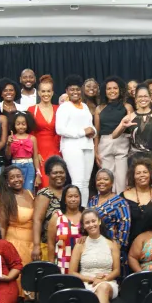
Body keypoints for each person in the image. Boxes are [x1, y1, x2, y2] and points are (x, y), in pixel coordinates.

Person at [56, 75, 97, 205]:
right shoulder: (64, 107)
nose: (75, 92)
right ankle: (75, 210)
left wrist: (93, 132)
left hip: (88, 146)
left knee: (85, 182)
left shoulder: (84, 106)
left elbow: (91, 126)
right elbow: (60, 129)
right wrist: (82, 132)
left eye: (78, 89)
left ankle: (83, 209)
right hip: (72, 147)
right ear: (67, 91)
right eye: (72, 89)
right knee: (77, 181)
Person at [69, 209, 120, 303]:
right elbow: (72, 272)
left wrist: (103, 279)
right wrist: (93, 279)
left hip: (107, 282)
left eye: (93, 221)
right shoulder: (80, 245)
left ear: (99, 221)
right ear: (83, 226)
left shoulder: (112, 243)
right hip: (86, 283)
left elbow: (117, 270)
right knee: (95, 296)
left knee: (103, 287)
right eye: (87, 222)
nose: (91, 225)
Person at [94, 76, 132, 194]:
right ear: (105, 91)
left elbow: (131, 127)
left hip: (123, 142)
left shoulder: (127, 107)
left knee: (122, 178)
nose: (112, 91)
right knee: (105, 177)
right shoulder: (99, 109)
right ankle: (105, 203)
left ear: (120, 90)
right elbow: (96, 133)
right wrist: (96, 152)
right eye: (109, 88)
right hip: (105, 143)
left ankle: (121, 203)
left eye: (115, 88)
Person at [117, 85, 152, 175]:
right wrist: (122, 125)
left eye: (145, 96)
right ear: (136, 99)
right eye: (140, 96)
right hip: (135, 158)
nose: (143, 99)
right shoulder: (130, 116)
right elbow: (114, 135)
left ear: (150, 97)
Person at [87, 169, 131, 260]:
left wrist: (117, 247)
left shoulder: (120, 202)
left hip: (111, 248)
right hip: (93, 247)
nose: (101, 182)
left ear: (112, 183)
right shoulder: (93, 200)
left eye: (105, 179)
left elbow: (125, 225)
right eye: (99, 179)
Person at [0, 165, 36, 269]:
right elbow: (2, 226)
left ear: (23, 177)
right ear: (7, 182)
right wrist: (0, 250)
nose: (16, 179)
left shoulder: (29, 193)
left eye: (18, 176)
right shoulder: (5, 199)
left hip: (32, 245)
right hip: (15, 246)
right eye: (12, 177)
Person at [31, 157, 70, 260]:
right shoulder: (45, 194)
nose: (59, 175)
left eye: (61, 172)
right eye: (55, 173)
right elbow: (37, 220)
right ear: (48, 174)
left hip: (67, 246)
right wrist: (36, 245)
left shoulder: (69, 193)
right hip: (49, 247)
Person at [121, 160, 152, 249]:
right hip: (130, 245)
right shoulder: (123, 197)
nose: (142, 175)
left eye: (145, 172)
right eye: (138, 173)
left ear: (150, 174)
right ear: (133, 176)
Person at [28, 75, 60, 188]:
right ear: (39, 93)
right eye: (43, 91)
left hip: (56, 151)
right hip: (39, 152)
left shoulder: (59, 109)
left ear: (52, 93)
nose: (46, 94)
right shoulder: (32, 110)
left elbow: (61, 132)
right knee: (44, 184)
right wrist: (35, 153)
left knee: (57, 183)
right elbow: (30, 134)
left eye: (48, 91)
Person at [47, 185, 82, 274]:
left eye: (76, 196)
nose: (73, 199)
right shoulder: (57, 217)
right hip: (62, 264)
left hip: (83, 265)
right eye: (70, 196)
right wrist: (51, 267)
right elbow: (51, 244)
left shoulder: (85, 216)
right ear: (64, 199)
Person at [5, 112, 40, 191]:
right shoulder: (11, 138)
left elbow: (35, 157)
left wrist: (38, 174)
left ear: (27, 125)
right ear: (14, 125)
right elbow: (8, 156)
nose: (21, 126)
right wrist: (8, 144)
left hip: (29, 166)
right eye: (18, 124)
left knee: (29, 190)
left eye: (23, 124)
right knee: (16, 189)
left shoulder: (32, 138)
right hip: (15, 166)